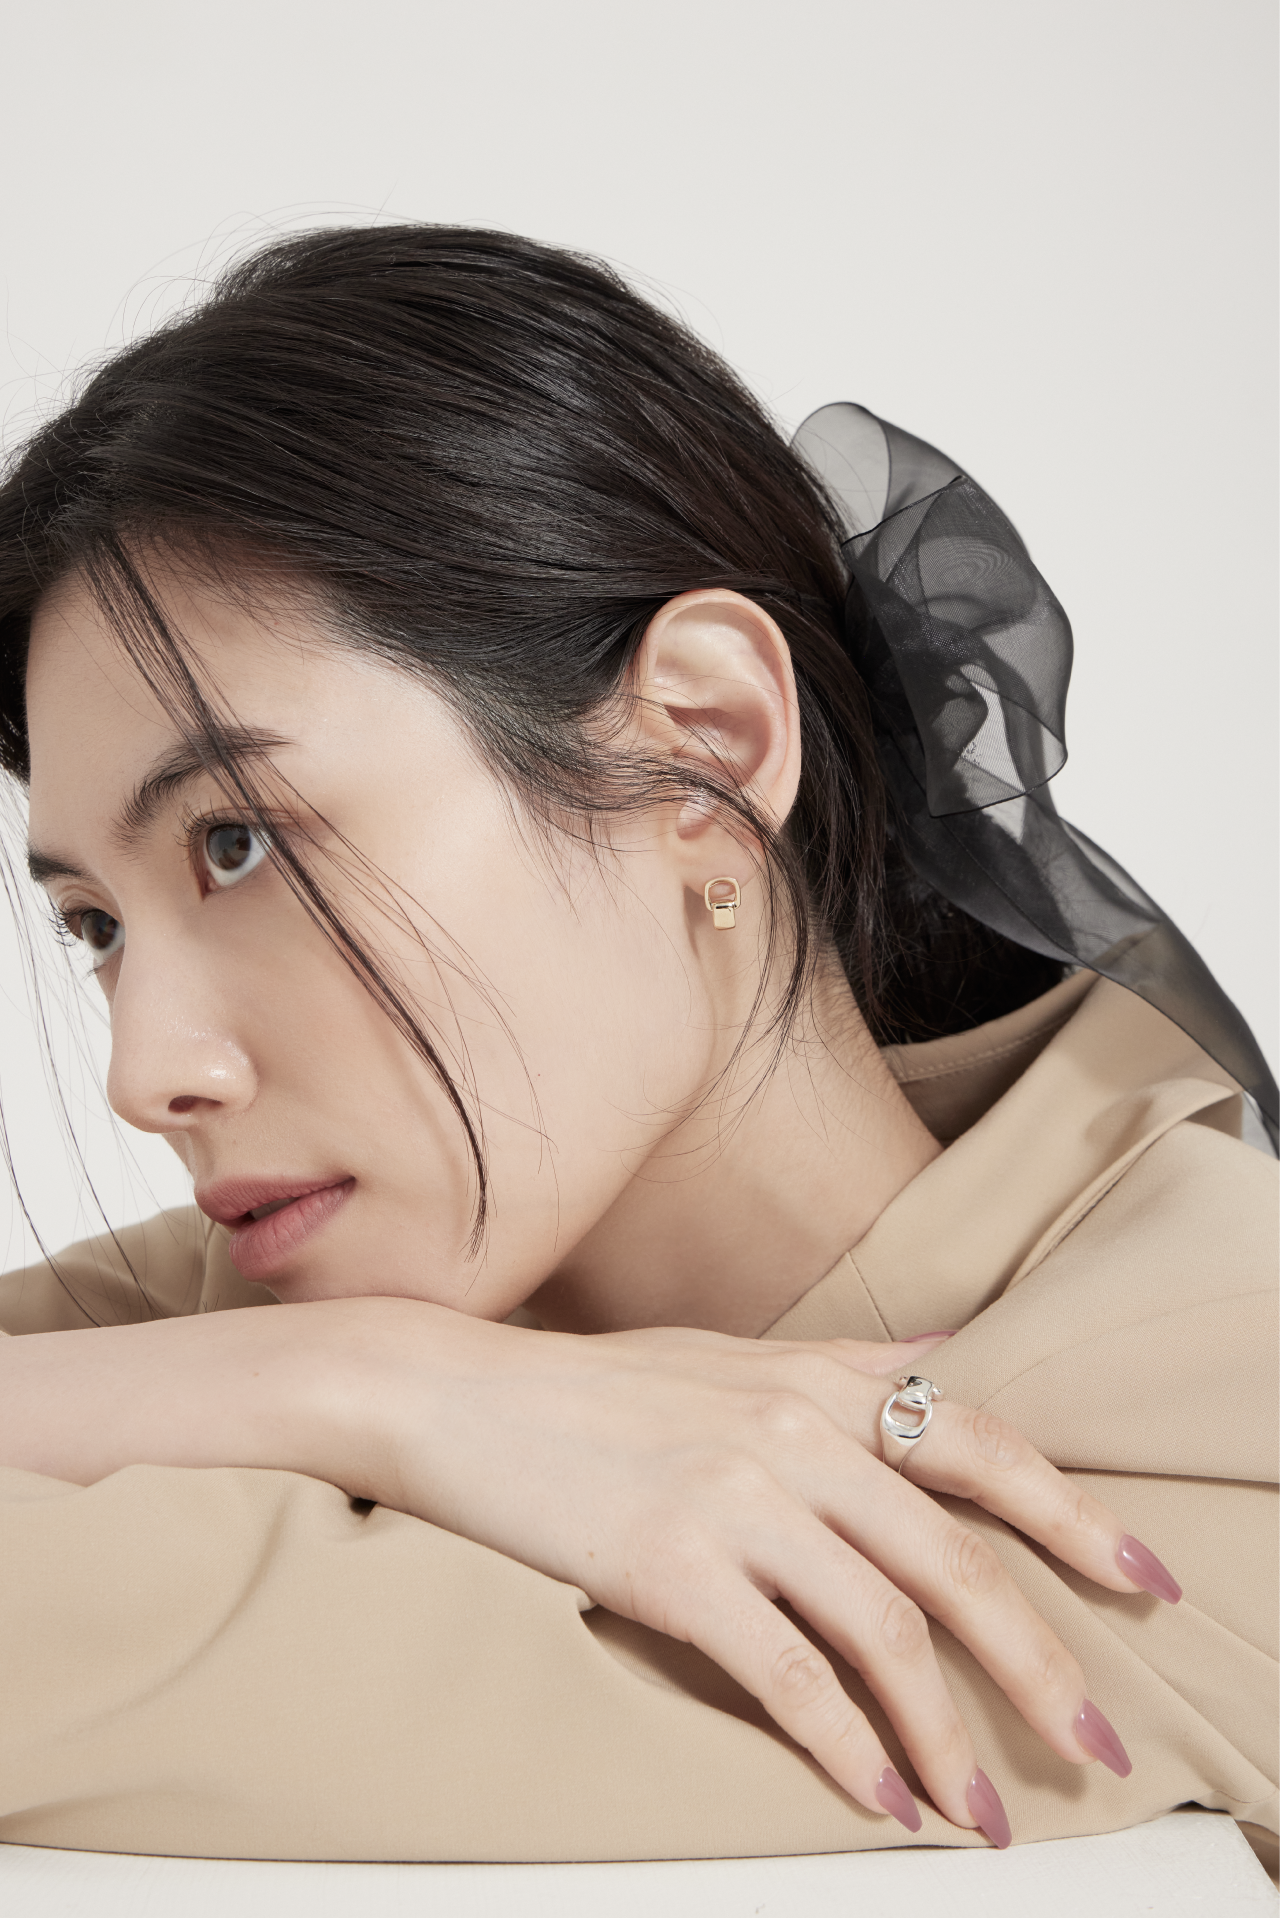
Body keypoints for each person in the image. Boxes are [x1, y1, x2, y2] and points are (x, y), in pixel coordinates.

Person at [0, 225, 1276, 1872]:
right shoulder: (282, 1313)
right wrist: (372, 1382)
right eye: (94, 924)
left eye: (236, 840)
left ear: (704, 747)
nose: (144, 1074)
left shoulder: (1194, 1395)